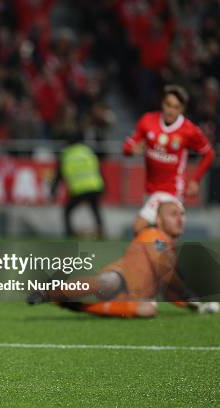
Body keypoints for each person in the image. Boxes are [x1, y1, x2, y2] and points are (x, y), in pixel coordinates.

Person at [27, 200, 218, 317]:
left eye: (182, 214)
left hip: (133, 295)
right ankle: (47, 293)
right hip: (120, 278)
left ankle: (81, 307)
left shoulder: (169, 247)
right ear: (159, 220)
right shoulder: (154, 235)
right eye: (174, 214)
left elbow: (167, 289)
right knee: (107, 282)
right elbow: (163, 271)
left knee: (149, 310)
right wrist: (185, 292)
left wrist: (190, 305)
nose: (180, 219)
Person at [123, 85, 216, 235]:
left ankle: (154, 256)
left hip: (172, 190)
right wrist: (131, 150)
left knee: (139, 227)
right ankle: (161, 257)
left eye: (176, 107)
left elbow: (209, 153)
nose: (170, 110)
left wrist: (196, 180)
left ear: (182, 109)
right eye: (168, 105)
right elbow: (128, 145)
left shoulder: (189, 130)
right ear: (162, 103)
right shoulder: (147, 121)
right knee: (160, 236)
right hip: (150, 190)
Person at [51, 133, 105, 238]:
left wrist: (53, 189)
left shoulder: (66, 154)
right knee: (95, 209)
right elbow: (97, 169)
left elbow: (59, 174)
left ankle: (69, 233)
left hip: (79, 188)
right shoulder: (87, 151)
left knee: (67, 211)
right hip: (94, 186)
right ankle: (101, 231)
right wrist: (104, 186)